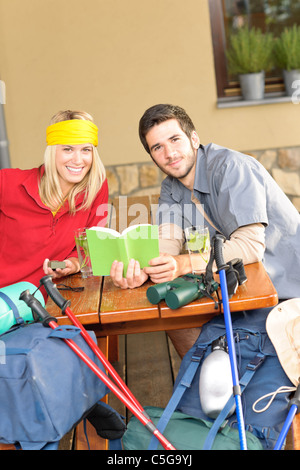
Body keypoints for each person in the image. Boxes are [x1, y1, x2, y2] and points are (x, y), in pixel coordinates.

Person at [110, 103, 300, 357]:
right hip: (238, 287)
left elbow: (250, 247)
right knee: (175, 318)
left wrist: (183, 264)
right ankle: (204, 385)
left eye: (175, 139)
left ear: (194, 138)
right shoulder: (171, 188)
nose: (169, 153)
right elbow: (167, 240)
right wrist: (146, 270)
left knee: (200, 325)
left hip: (284, 290)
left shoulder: (233, 168)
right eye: (158, 147)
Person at [0, 110, 108, 296]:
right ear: (52, 151)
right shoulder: (8, 182)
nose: (78, 160)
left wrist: (72, 264)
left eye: (86, 150)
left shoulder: (95, 188)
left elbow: (90, 247)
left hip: (49, 302)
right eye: (68, 149)